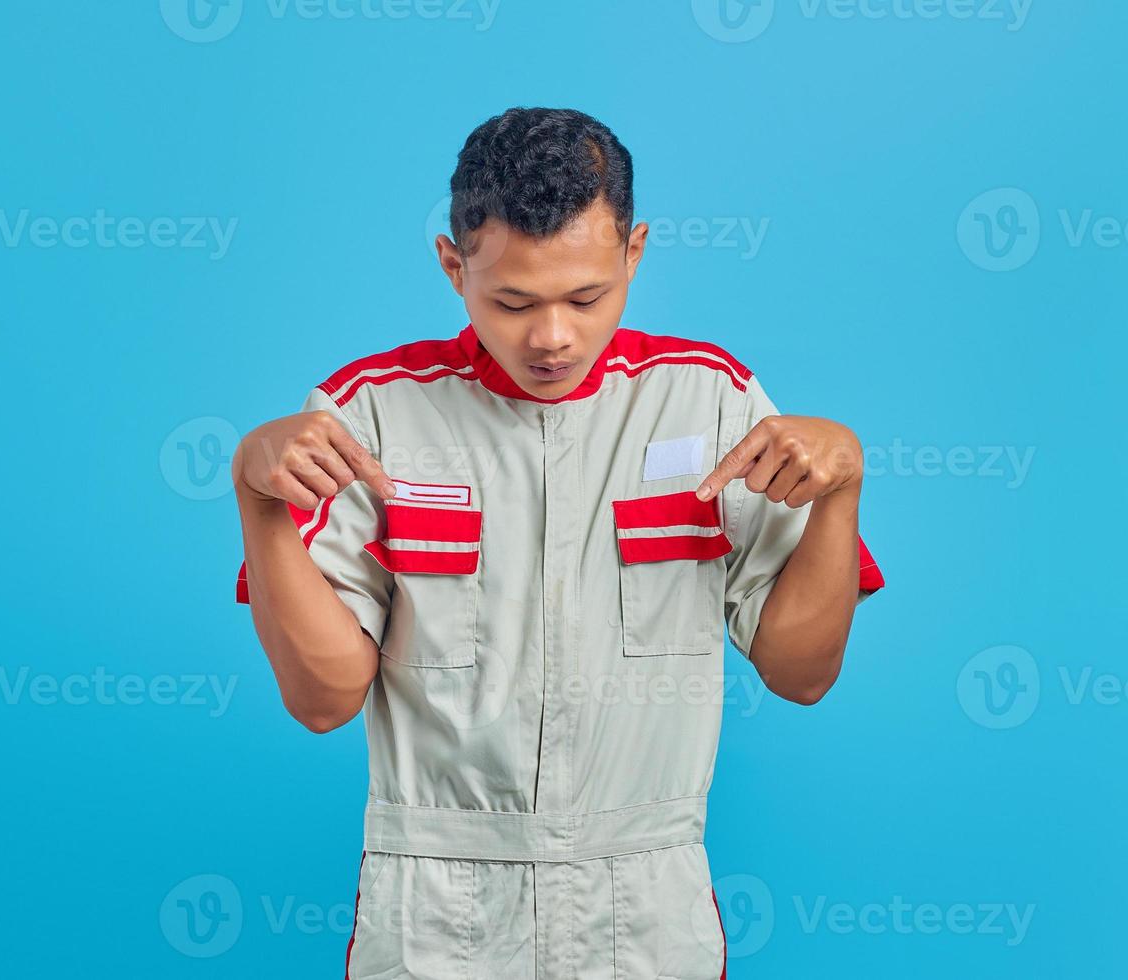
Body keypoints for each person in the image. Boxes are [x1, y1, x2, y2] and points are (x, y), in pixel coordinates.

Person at [232, 106, 884, 979]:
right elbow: (324, 701)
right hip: (435, 907)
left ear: (635, 253)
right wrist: (257, 499)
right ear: (452, 266)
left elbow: (801, 675)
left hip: (647, 904)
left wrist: (840, 494)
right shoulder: (370, 413)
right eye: (512, 300)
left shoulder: (710, 400)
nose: (552, 336)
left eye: (587, 296)